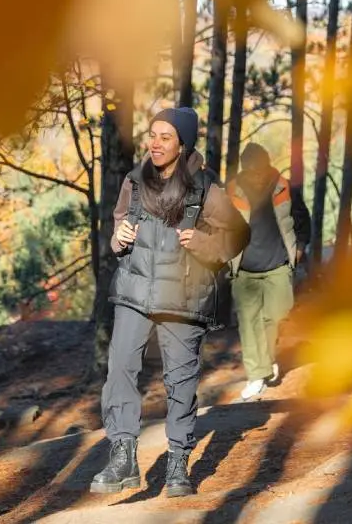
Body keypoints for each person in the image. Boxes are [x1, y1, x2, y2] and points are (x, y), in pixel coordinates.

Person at [91, 107, 250, 498]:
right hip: (133, 291)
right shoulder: (134, 180)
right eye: (152, 134)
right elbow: (116, 224)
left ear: (182, 144)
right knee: (121, 369)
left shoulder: (204, 188)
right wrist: (119, 238)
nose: (155, 143)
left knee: (180, 381)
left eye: (165, 136)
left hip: (182, 296)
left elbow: (239, 234)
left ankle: (178, 462)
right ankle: (123, 456)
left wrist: (205, 244)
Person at [226, 143, 312, 401]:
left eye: (260, 169)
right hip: (244, 268)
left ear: (267, 165)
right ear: (244, 170)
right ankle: (256, 375)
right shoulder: (232, 190)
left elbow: (302, 220)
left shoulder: (283, 186)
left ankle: (267, 359)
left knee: (276, 315)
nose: (257, 175)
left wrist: (300, 247)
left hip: (278, 265)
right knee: (248, 323)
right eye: (251, 170)